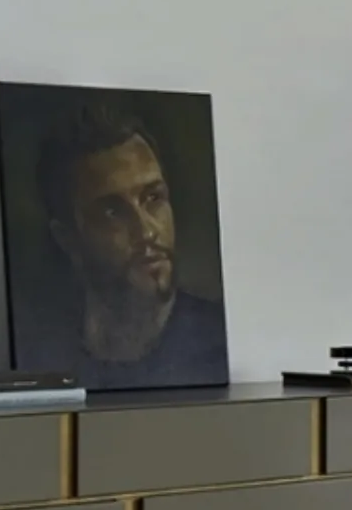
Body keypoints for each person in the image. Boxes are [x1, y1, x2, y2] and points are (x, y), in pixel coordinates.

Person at [33, 102, 228, 390]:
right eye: (113, 212)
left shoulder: (220, 342)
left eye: (153, 198)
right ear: (67, 239)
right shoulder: (44, 358)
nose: (147, 231)